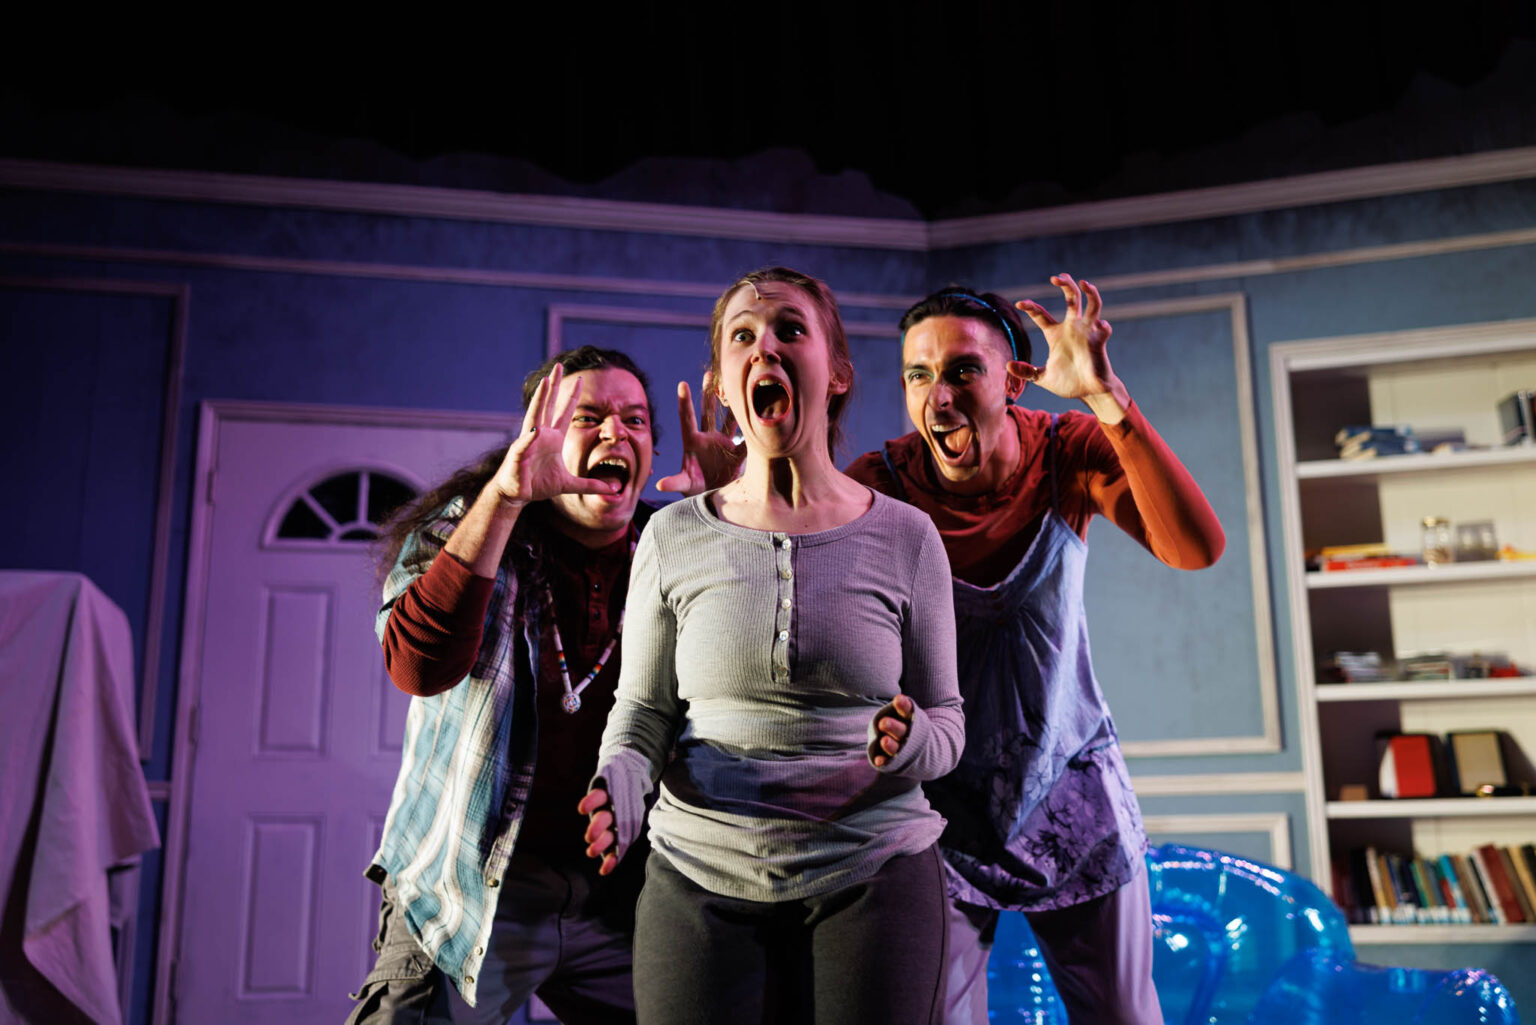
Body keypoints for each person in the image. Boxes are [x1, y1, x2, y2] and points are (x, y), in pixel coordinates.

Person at [581, 267, 966, 1025]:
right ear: (721, 386)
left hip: (874, 868)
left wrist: (913, 740)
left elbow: (949, 723)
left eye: (791, 329)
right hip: (698, 871)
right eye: (743, 336)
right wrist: (620, 778)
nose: (766, 348)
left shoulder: (907, 536)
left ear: (838, 372)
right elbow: (643, 711)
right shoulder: (671, 535)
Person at [845, 274, 1226, 1025]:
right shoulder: (878, 489)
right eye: (918, 375)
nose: (938, 397)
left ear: (1014, 381)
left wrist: (1107, 398)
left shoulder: (1065, 452)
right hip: (937, 805)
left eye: (963, 371)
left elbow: (1196, 548)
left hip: (1071, 787)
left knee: (1124, 1014)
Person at [345, 345, 727, 1025]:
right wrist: (504, 496)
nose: (616, 432)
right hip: (476, 883)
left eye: (635, 420)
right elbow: (417, 666)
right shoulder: (471, 526)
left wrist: (734, 516)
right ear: (539, 434)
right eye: (590, 416)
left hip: (624, 893)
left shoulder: (675, 548)